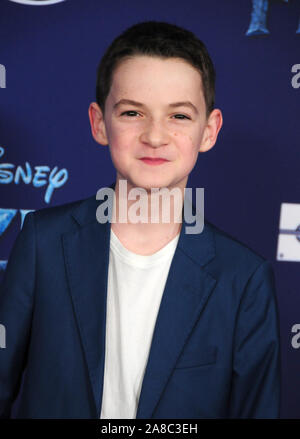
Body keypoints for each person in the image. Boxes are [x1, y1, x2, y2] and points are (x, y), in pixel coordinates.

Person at [0, 20, 280, 419]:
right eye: (133, 112)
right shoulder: (43, 242)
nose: (154, 135)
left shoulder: (243, 278)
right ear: (100, 123)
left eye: (179, 116)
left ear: (209, 131)